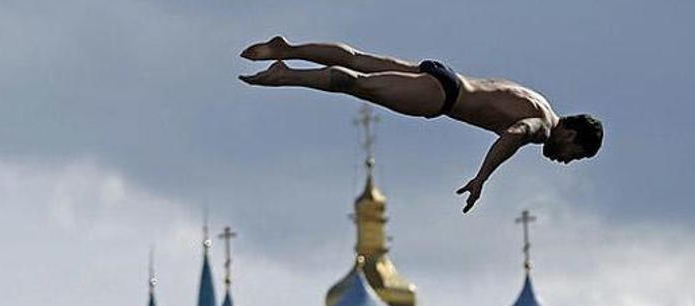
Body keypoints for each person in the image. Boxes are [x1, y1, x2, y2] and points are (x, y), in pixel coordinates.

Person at [240, 36, 603, 213]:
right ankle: (286, 74)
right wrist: (482, 178)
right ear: (569, 133)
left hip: (443, 74)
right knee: (357, 84)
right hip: (441, 96)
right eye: (574, 154)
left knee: (360, 59)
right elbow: (513, 134)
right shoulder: (541, 124)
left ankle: (287, 49)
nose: (566, 160)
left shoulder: (538, 98)